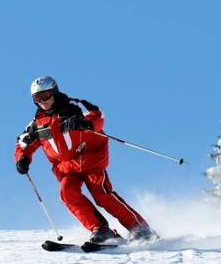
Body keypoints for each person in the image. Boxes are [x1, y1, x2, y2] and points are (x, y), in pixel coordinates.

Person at [14, 76, 156, 243]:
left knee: (102, 194)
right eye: (37, 98)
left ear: (54, 92)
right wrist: (22, 158)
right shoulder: (37, 124)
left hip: (91, 160)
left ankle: (139, 228)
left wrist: (85, 123)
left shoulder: (74, 107)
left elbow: (98, 115)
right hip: (66, 168)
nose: (43, 101)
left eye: (45, 95)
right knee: (67, 192)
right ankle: (100, 229)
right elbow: (23, 143)